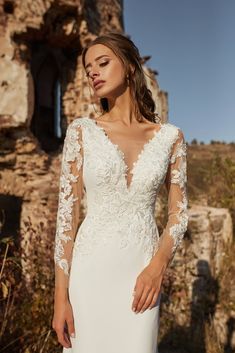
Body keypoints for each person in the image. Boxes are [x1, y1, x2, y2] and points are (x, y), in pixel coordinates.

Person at [52, 31, 189, 353]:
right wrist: (61, 298)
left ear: (129, 66)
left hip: (142, 275)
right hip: (89, 272)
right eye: (88, 70)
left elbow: (178, 214)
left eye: (102, 62)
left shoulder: (171, 137)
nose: (93, 73)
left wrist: (158, 267)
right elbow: (66, 221)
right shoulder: (81, 132)